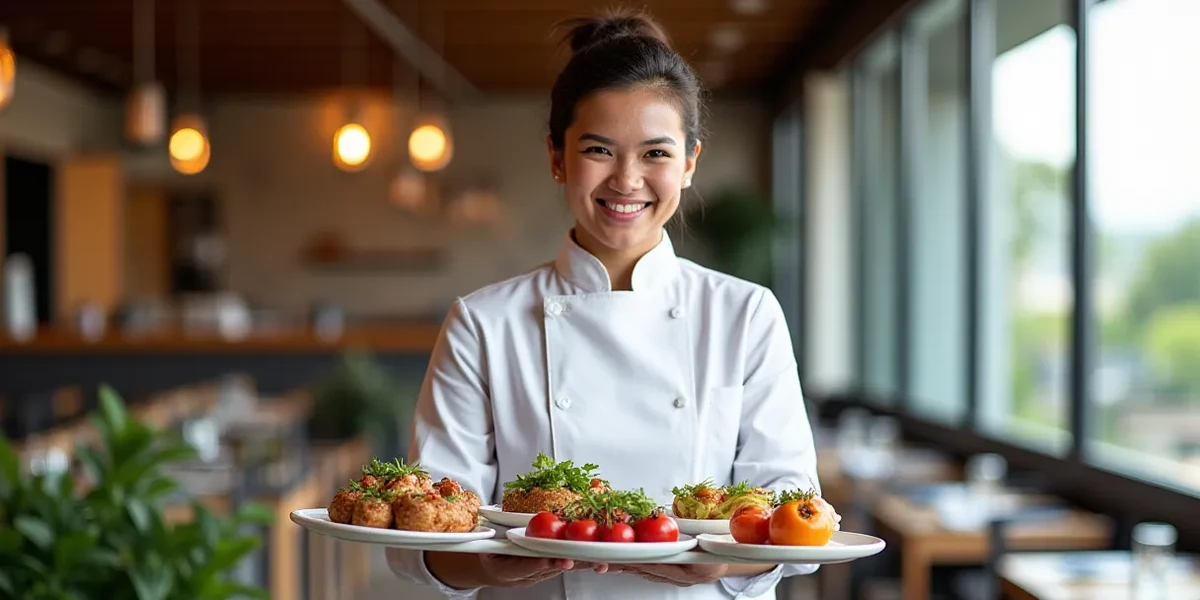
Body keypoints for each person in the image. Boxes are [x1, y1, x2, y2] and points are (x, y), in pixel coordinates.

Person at [386, 9, 825, 600]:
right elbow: (426, 528)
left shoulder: (745, 314)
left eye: (655, 153)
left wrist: (721, 566)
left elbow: (792, 514)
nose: (626, 179)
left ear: (690, 163)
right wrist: (491, 568)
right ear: (556, 157)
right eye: (599, 149)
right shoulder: (483, 323)